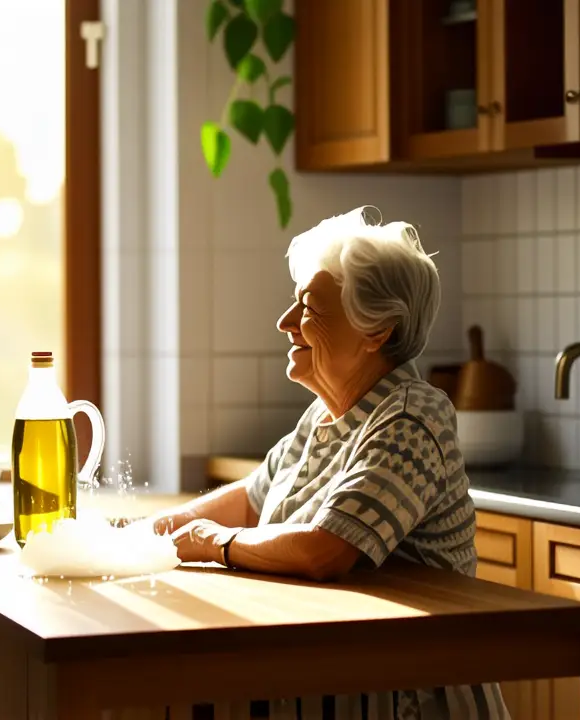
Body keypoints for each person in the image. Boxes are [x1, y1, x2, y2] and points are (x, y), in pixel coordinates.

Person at [146, 208, 509, 719]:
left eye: (309, 308)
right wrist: (138, 537)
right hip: (336, 683)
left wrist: (215, 544)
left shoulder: (412, 417)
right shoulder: (324, 415)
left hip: (408, 698)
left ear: (376, 330)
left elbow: (325, 548)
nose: (285, 322)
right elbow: (250, 502)